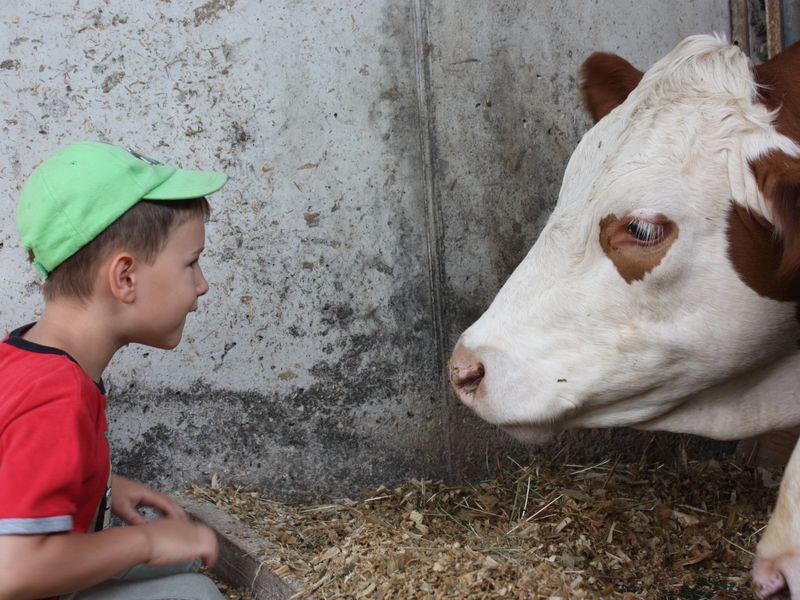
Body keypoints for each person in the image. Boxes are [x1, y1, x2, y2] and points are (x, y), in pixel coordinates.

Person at [0, 141, 229, 600]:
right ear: (124, 278)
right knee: (193, 594)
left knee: (184, 547)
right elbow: (14, 571)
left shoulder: (23, 355)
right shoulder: (55, 396)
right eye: (191, 263)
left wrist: (99, 488)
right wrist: (140, 540)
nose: (202, 285)